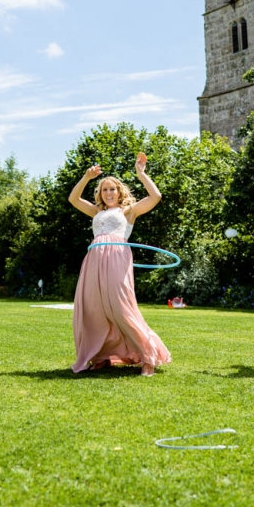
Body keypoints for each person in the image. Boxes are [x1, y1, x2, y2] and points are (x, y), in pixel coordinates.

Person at [68, 153, 170, 376]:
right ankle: (102, 355)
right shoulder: (96, 211)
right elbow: (73, 200)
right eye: (104, 190)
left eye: (112, 189)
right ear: (100, 194)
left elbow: (156, 196)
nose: (108, 193)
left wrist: (141, 174)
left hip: (117, 258)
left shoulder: (128, 211)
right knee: (94, 309)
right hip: (93, 260)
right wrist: (86, 177)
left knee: (121, 307)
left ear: (119, 191)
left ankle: (148, 357)